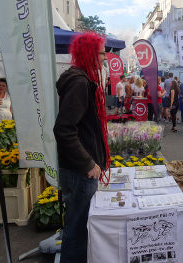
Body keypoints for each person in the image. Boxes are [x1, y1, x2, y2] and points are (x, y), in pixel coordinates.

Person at [53, 32, 110, 263]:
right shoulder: (79, 82)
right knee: (77, 232)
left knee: (77, 228)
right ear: (89, 54)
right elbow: (64, 130)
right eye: (102, 52)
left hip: (77, 169)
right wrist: (87, 163)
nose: (105, 57)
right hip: (79, 171)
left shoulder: (81, 79)